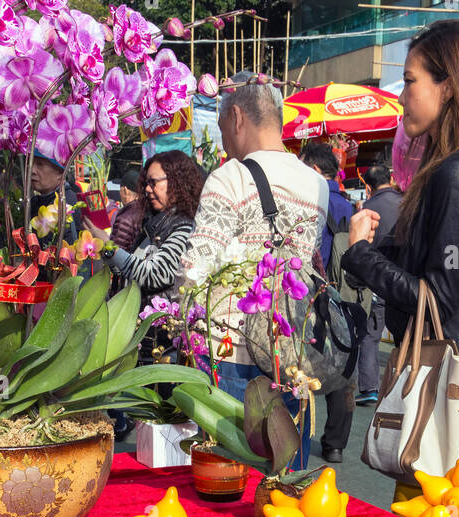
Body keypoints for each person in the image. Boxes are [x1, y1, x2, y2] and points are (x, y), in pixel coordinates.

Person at [342, 19, 459, 493]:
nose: (402, 95)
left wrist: (362, 255)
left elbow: (438, 297)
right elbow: (448, 271)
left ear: (447, 87)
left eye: (410, 81)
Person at [180, 82, 328, 468]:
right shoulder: (317, 184)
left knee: (229, 477)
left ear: (236, 117)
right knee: (283, 476)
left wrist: (183, 323)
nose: (225, 139)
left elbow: (195, 270)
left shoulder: (231, 176)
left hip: (229, 349)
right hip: (288, 352)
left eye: (223, 126)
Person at [86, 152, 203, 306]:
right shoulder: (151, 222)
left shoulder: (185, 227)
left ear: (177, 182)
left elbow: (156, 274)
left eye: (153, 182)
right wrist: (104, 248)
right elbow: (124, 270)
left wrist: (110, 246)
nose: (147, 189)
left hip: (157, 326)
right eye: (146, 182)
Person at [301, 142, 355, 465]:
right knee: (343, 368)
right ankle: (335, 443)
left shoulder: (311, 202)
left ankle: (296, 435)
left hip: (312, 294)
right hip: (346, 297)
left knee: (299, 366)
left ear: (316, 171)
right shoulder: (350, 206)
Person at [355, 163, 402, 404]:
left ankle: (370, 388)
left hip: (377, 283)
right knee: (404, 338)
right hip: (406, 282)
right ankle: (401, 388)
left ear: (367, 185)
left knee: (371, 336)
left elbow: (361, 249)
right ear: (391, 179)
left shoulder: (368, 209)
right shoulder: (405, 203)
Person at [29, 152, 81, 246]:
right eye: (30, 163)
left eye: (40, 164)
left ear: (60, 173)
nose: (32, 170)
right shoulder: (36, 202)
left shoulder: (66, 205)